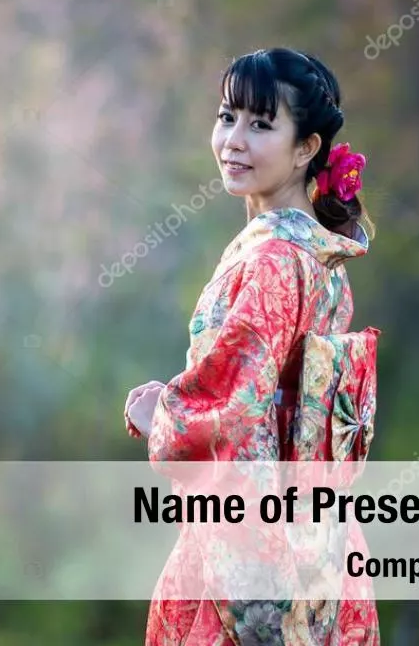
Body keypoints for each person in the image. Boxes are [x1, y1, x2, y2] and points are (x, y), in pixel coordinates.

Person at [124, 47, 380, 644]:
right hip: (323, 544)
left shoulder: (272, 261)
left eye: (261, 124)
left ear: (306, 148)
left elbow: (232, 412)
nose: (234, 139)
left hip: (257, 540)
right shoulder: (321, 259)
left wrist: (159, 411)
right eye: (227, 116)